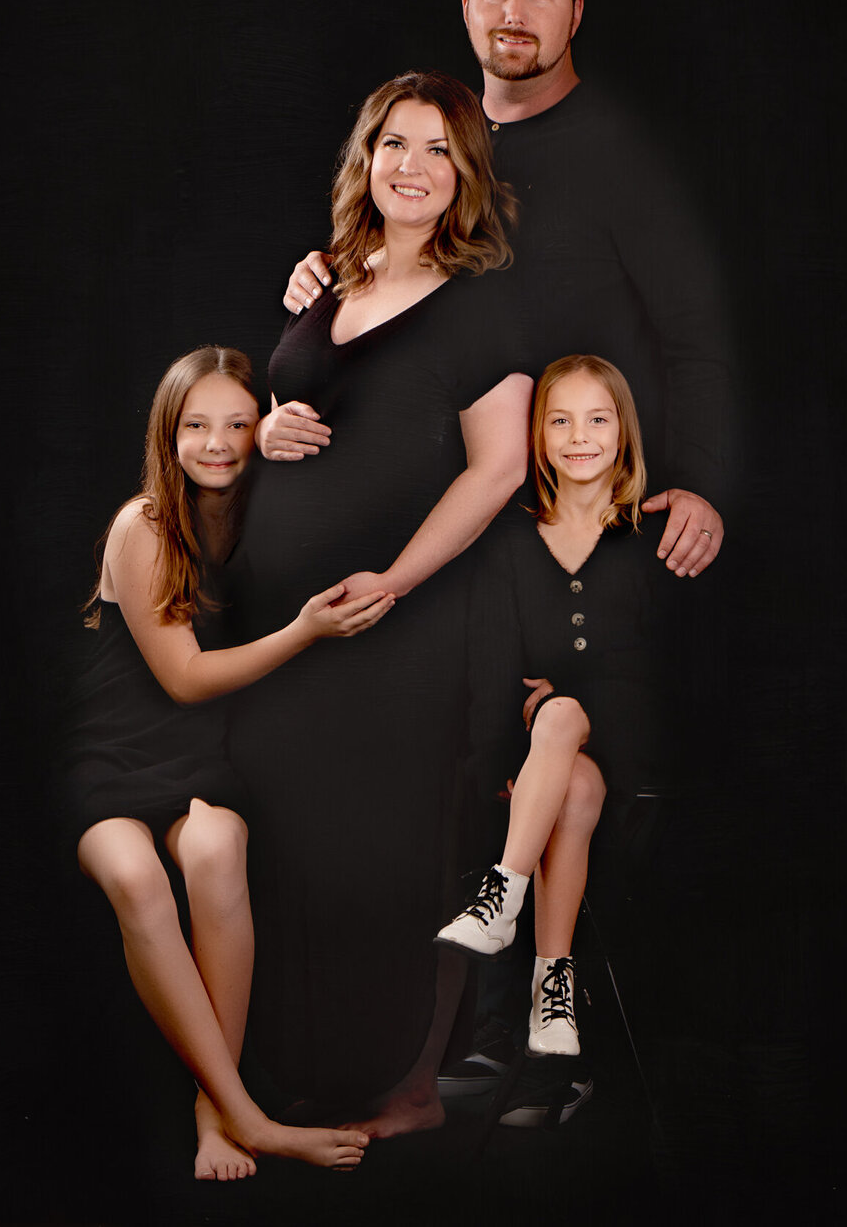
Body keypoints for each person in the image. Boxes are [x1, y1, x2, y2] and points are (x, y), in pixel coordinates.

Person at [229, 71, 532, 1136]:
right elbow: (293, 411)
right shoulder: (329, 281)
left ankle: (409, 1090)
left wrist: (396, 581)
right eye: (394, 144)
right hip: (292, 627)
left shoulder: (485, 303)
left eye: (439, 149)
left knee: (402, 848)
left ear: (465, 177)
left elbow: (495, 471)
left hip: (404, 620)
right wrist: (265, 435)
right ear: (367, 161)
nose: (412, 166)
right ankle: (318, 1071)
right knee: (304, 848)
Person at [280, 0, 735, 580]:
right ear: (467, 6)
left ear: (576, 13)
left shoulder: (622, 158)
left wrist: (699, 481)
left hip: (576, 521)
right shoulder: (442, 143)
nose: (513, 13)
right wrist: (328, 279)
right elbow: (397, 276)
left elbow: (695, 336)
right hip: (435, 520)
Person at [64, 345, 392, 1179]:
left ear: (261, 432)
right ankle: (250, 1116)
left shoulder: (264, 511)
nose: (216, 443)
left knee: (216, 850)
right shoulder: (142, 524)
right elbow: (182, 679)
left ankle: (216, 1120)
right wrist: (303, 632)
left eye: (237, 424)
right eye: (196, 426)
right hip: (116, 758)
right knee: (135, 878)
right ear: (166, 435)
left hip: (206, 761)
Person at [435, 355, 670, 1069]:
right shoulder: (510, 542)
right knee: (570, 776)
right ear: (537, 437)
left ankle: (502, 898)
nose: (579, 436)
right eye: (559, 420)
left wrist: (563, 698)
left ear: (623, 431)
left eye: (597, 419)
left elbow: (655, 677)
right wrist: (509, 765)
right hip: (557, 775)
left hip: (637, 761)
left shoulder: (652, 537)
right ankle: (552, 988)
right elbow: (491, 671)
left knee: (562, 714)